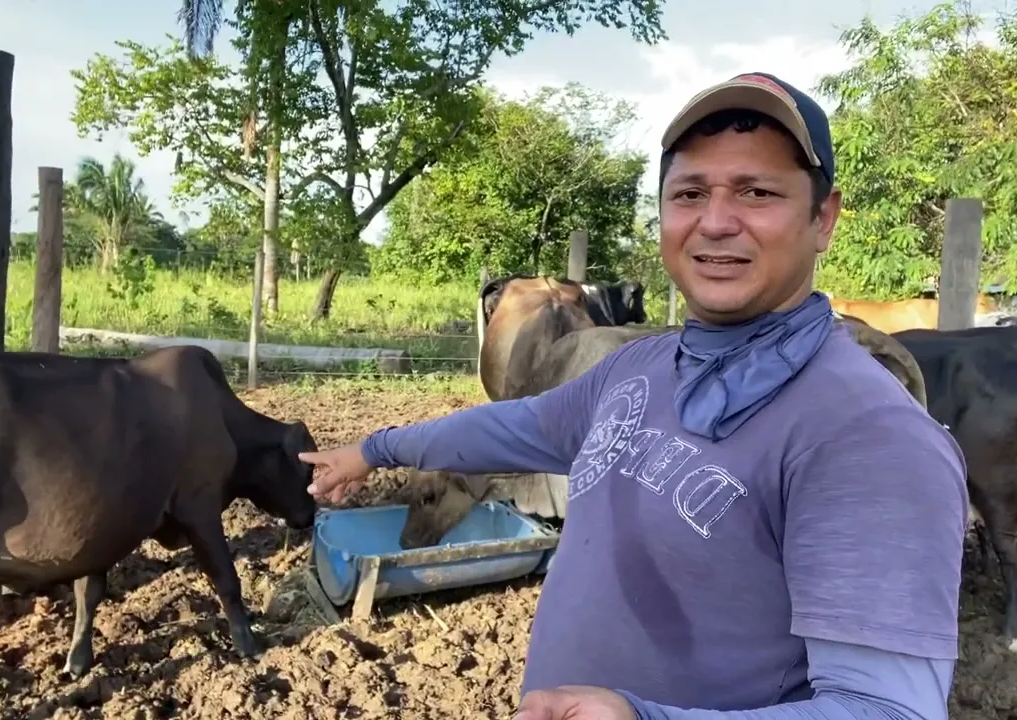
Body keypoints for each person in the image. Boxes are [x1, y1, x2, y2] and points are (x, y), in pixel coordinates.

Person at [300, 72, 969, 720]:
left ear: (823, 218)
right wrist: (373, 449)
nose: (715, 222)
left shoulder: (869, 437)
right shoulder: (637, 370)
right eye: (690, 193)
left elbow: (888, 708)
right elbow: (510, 426)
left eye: (757, 192)